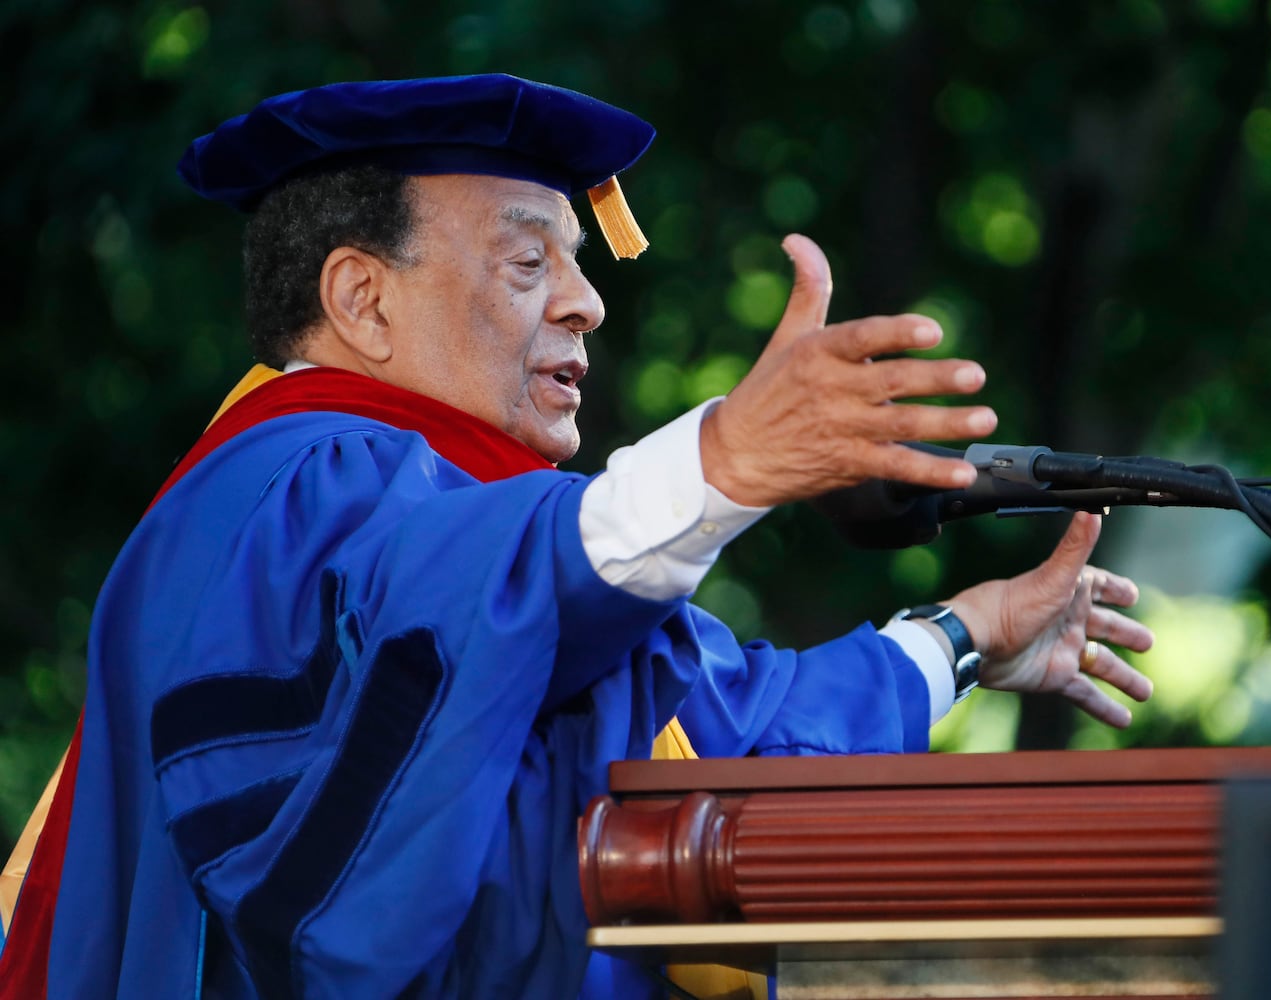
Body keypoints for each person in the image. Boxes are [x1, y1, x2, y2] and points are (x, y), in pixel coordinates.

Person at [0, 74, 1154, 998]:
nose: (584, 302)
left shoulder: (496, 538)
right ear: (361, 298)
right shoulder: (288, 484)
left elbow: (726, 737)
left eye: (578, 262)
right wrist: (725, 462)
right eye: (524, 259)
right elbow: (445, 613)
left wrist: (961, 636)